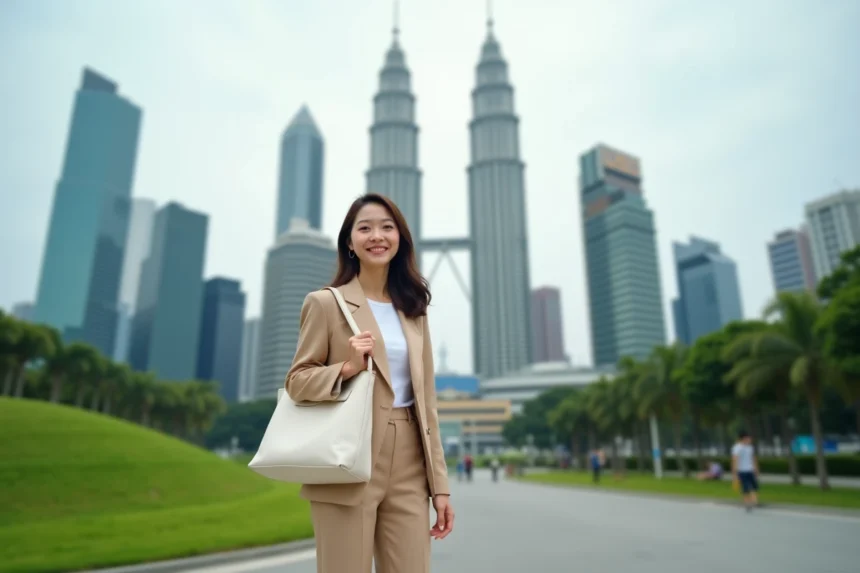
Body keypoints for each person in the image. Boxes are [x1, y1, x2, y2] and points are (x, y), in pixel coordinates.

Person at [285, 193, 454, 572]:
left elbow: (427, 402)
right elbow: (297, 381)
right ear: (350, 241)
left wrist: (439, 485)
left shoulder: (414, 310)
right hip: (348, 455)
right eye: (365, 228)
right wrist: (345, 369)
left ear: (400, 239)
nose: (377, 236)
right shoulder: (325, 303)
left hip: (410, 458)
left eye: (387, 227)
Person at [731, 430, 760, 512]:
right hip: (741, 471)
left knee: (754, 487)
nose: (750, 440)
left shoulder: (750, 447)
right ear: (743, 438)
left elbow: (753, 458)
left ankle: (755, 502)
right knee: (745, 488)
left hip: (750, 470)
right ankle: (747, 503)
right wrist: (735, 473)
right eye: (748, 438)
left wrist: (756, 468)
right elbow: (734, 460)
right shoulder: (737, 448)